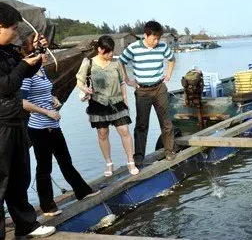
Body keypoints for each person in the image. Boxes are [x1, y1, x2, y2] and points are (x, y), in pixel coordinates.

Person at [22, 49, 101, 217]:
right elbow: (23, 102)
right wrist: (46, 112)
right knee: (44, 167)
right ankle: (47, 206)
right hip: (38, 127)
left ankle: (82, 191)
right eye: (41, 53)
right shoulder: (27, 74)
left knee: (65, 160)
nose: (45, 56)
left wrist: (53, 98)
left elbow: (44, 92)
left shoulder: (41, 70)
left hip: (53, 124)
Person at [0, 2, 56, 239]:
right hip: (0, 125)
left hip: (15, 121)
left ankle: (26, 224)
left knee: (19, 175)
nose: (15, 32)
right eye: (12, 28)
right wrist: (24, 64)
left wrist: (35, 53)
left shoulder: (6, 50)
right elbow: (6, 85)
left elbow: (25, 73)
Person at [76, 35, 139, 177]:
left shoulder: (116, 64)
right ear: (99, 49)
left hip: (117, 102)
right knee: (102, 133)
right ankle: (109, 164)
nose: (111, 54)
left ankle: (131, 161)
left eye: (112, 51)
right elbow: (79, 82)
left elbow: (122, 83)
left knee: (124, 130)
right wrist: (85, 89)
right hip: (98, 103)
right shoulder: (88, 63)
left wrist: (125, 102)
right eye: (108, 51)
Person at [119, 21, 176, 167]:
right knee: (141, 124)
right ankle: (138, 156)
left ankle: (169, 150)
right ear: (145, 35)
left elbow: (171, 59)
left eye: (158, 38)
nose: (156, 41)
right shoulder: (134, 48)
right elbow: (121, 62)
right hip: (142, 90)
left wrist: (168, 75)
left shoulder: (162, 46)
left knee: (166, 122)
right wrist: (126, 79)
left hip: (159, 88)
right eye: (154, 38)